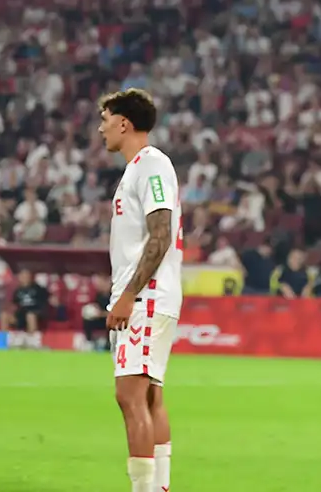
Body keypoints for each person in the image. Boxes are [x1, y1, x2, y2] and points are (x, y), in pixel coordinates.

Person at [98, 88, 184, 492]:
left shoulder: (151, 164)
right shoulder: (137, 168)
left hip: (147, 297)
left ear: (123, 123)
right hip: (151, 295)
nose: (101, 129)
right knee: (149, 395)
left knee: (129, 395)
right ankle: (160, 488)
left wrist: (129, 294)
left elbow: (160, 234)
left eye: (105, 119)